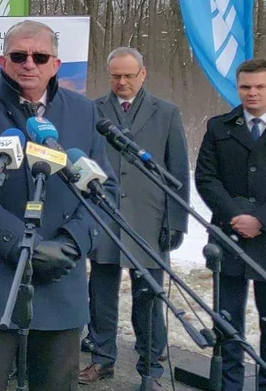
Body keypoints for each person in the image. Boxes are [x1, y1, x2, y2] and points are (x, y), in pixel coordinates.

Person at [0, 19, 117, 391]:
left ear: (55, 64)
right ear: (3, 61)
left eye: (40, 56)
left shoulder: (84, 112)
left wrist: (71, 243)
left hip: (60, 278)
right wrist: (20, 245)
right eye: (19, 55)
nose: (29, 64)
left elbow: (104, 192)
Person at [195, 59, 266, 391]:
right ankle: (230, 384)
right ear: (238, 88)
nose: (252, 93)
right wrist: (236, 217)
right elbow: (206, 178)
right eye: (246, 86)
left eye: (260, 86)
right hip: (229, 240)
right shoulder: (219, 127)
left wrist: (261, 220)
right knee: (227, 323)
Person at [81, 47, 189, 388]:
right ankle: (102, 358)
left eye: (128, 75)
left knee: (149, 294)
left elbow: (178, 170)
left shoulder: (167, 113)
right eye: (116, 76)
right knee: (101, 292)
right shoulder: (92, 111)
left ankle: (151, 364)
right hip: (104, 215)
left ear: (143, 74)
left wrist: (176, 221)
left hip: (149, 218)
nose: (122, 82)